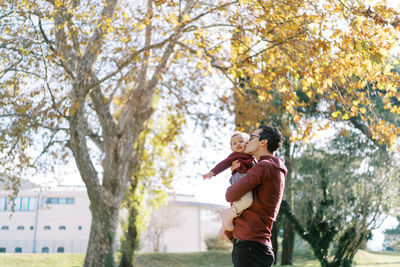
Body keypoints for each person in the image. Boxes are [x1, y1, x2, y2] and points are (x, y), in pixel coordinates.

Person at [224, 125, 287, 267]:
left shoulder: (265, 166)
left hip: (250, 247)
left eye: (251, 138)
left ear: (263, 142)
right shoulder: (269, 167)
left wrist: (235, 178)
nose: (246, 142)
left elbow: (230, 195)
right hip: (253, 246)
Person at [203, 131, 256, 231]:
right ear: (232, 148)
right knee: (248, 200)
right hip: (240, 177)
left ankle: (232, 218)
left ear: (247, 143)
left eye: (241, 141)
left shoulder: (252, 156)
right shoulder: (235, 155)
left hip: (247, 178)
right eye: (234, 143)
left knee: (244, 200)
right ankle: (229, 213)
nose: (238, 144)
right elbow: (224, 163)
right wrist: (212, 172)